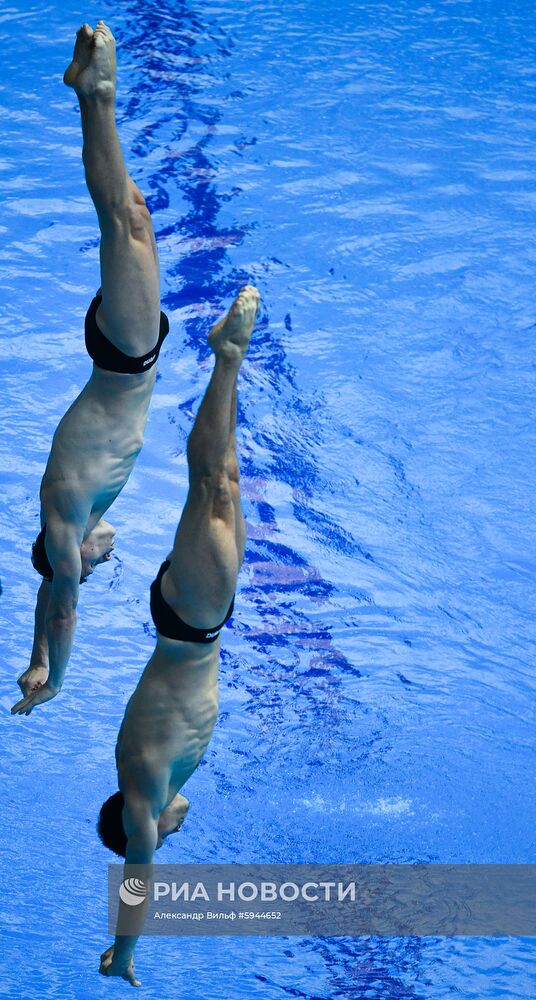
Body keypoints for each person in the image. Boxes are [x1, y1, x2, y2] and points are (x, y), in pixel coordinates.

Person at [97, 284, 260, 987]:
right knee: (223, 481)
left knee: (212, 488)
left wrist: (124, 955)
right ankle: (226, 362)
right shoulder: (159, 785)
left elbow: (137, 880)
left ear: (137, 825)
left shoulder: (141, 796)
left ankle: (227, 357)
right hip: (198, 622)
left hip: (190, 621)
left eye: (157, 834)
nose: (173, 830)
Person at [12, 22, 169, 716]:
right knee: (130, 216)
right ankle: (93, 96)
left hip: (125, 356)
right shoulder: (75, 518)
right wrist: (35, 653)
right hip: (124, 357)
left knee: (125, 220)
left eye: (95, 561)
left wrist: (58, 673)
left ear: (74, 557)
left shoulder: (67, 525)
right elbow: (48, 595)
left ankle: (94, 94)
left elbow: (63, 601)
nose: (112, 551)